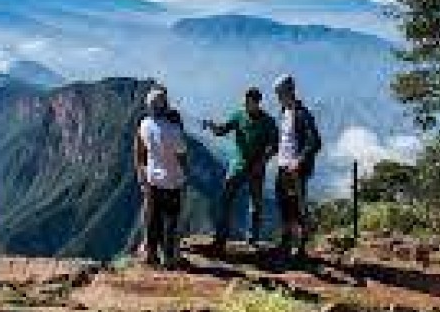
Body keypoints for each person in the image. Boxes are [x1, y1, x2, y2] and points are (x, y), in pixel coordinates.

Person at [203, 87, 279, 254]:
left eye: (248, 101)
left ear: (257, 102)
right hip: (237, 165)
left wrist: (263, 160)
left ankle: (252, 239)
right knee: (225, 200)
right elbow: (222, 130)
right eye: (244, 100)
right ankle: (220, 237)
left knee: (256, 203)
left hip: (256, 168)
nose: (244, 103)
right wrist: (211, 126)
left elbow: (274, 146)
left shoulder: (268, 121)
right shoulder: (238, 115)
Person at [134, 87, 188, 269]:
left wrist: (141, 174)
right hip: (172, 181)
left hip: (152, 179)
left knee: (153, 219)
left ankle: (150, 253)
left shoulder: (144, 125)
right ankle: (170, 257)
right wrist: (185, 173)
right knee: (171, 219)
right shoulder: (173, 130)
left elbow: (140, 151)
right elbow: (182, 155)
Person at [273, 74, 322, 260]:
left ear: (289, 91)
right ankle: (286, 244)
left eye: (280, 93)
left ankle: (301, 247)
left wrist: (299, 161)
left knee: (298, 207)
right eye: (278, 93)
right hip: (283, 166)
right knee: (284, 205)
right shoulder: (284, 112)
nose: (278, 97)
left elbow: (315, 142)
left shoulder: (302, 114)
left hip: (296, 170)